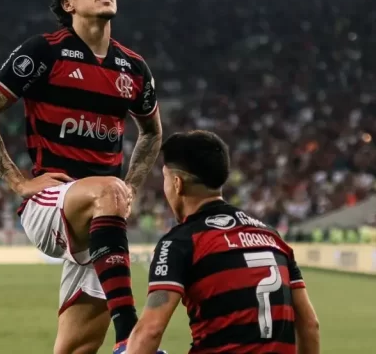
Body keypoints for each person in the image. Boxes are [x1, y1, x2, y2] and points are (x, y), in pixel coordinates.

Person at [0, 0, 164, 354]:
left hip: (102, 221)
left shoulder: (134, 68)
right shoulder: (44, 51)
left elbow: (153, 132)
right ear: (68, 4)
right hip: (50, 203)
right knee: (109, 188)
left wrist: (132, 190)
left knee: (75, 348)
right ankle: (132, 339)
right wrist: (18, 182)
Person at [126, 130, 321, 354]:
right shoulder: (272, 237)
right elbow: (309, 325)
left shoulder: (181, 241)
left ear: (177, 183)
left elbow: (150, 331)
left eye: (165, 179)